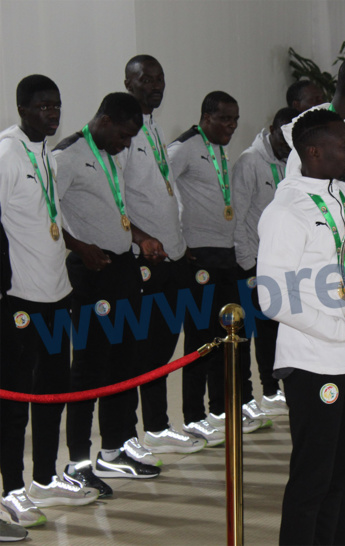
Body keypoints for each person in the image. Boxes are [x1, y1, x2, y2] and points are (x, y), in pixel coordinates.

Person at [257, 109, 345, 545]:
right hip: (314, 361)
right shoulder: (286, 211)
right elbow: (273, 299)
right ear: (313, 152)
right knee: (313, 481)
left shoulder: (342, 198)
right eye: (344, 145)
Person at [0, 75, 99, 530]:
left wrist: (77, 248)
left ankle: (43, 477)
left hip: (58, 293)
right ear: (22, 109)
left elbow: (50, 217)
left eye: (56, 106)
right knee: (15, 399)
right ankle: (12, 490)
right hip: (20, 298)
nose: (52, 114)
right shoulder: (5, 153)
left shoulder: (48, 159)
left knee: (53, 389)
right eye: (43, 107)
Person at [55, 93, 163, 494]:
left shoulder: (109, 152)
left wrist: (141, 237)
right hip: (89, 274)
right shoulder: (66, 155)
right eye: (122, 134)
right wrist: (79, 246)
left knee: (125, 363)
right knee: (88, 369)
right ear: (103, 119)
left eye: (132, 137)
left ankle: (114, 451)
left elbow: (113, 210)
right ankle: (78, 462)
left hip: (120, 269)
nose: (126, 144)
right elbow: (46, 210)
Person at [121, 55, 206, 463]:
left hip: (173, 259)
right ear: (128, 82)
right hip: (144, 262)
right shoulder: (122, 132)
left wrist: (179, 242)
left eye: (160, 78)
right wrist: (140, 237)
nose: (155, 85)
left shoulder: (151, 128)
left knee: (161, 350)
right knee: (141, 351)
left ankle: (156, 427)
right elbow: (116, 198)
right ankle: (130, 436)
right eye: (146, 79)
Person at [168, 91, 261, 443]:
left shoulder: (219, 150)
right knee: (199, 337)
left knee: (226, 336)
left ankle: (222, 409)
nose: (231, 126)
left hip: (224, 255)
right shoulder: (184, 148)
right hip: (199, 258)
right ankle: (193, 416)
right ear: (206, 117)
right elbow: (163, 191)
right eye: (225, 119)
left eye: (235, 120)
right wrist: (179, 238)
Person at [231, 106, 299, 418]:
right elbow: (238, 216)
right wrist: (248, 264)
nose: (287, 143)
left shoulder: (292, 162)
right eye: (283, 136)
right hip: (255, 263)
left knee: (280, 324)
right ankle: (268, 392)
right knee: (260, 330)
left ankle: (277, 389)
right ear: (271, 128)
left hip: (285, 262)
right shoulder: (250, 161)